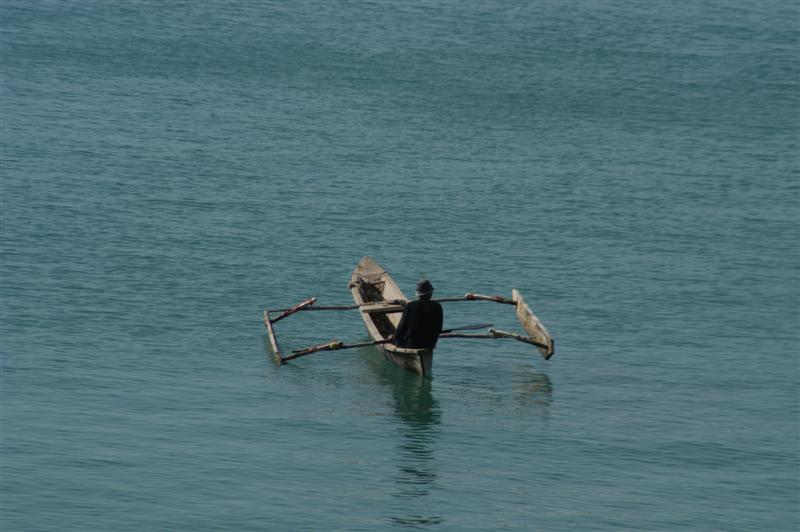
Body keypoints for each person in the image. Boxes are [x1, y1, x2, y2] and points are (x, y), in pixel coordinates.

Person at [393, 279, 443, 349]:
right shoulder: (437, 306)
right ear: (430, 293)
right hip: (430, 344)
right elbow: (439, 329)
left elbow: (402, 327)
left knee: (398, 339)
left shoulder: (410, 306)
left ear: (418, 295)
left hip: (412, 345)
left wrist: (395, 339)